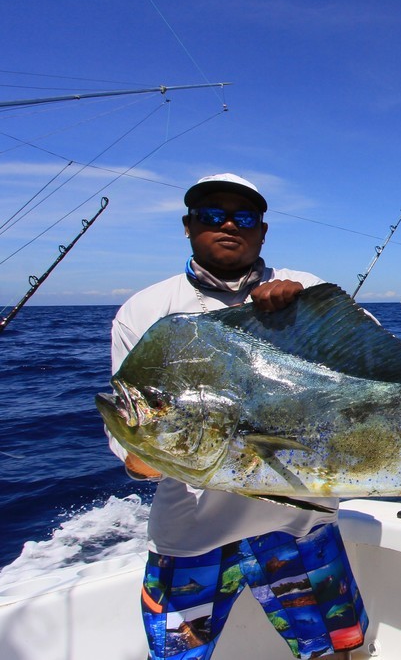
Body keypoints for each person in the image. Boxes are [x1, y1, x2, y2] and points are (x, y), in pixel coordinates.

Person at [106, 173, 368, 660]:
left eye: (243, 217)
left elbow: (379, 382)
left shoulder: (304, 287)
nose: (229, 224)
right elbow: (133, 455)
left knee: (335, 652)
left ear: (262, 232)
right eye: (212, 215)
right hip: (191, 537)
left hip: (299, 526)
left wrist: (302, 312)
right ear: (188, 225)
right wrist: (157, 448)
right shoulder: (144, 310)